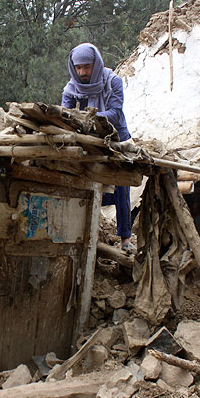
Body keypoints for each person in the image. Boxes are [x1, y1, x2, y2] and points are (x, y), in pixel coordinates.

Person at [61, 42, 135, 252]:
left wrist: (86, 117)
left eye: (87, 67)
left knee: (121, 185)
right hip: (87, 141)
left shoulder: (113, 82)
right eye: (78, 68)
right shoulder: (70, 89)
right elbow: (65, 114)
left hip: (115, 139)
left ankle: (125, 238)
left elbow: (115, 112)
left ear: (96, 63)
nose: (82, 72)